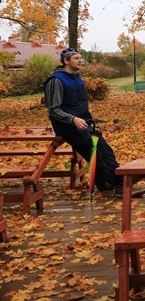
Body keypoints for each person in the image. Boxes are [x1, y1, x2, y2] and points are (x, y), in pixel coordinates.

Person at [44, 48, 124, 193]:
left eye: (81, 58)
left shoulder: (77, 77)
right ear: (66, 61)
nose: (80, 60)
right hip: (67, 126)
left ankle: (120, 180)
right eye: (76, 58)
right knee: (95, 154)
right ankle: (110, 185)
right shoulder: (56, 80)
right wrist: (72, 119)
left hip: (84, 123)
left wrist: (85, 119)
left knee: (105, 150)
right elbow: (53, 109)